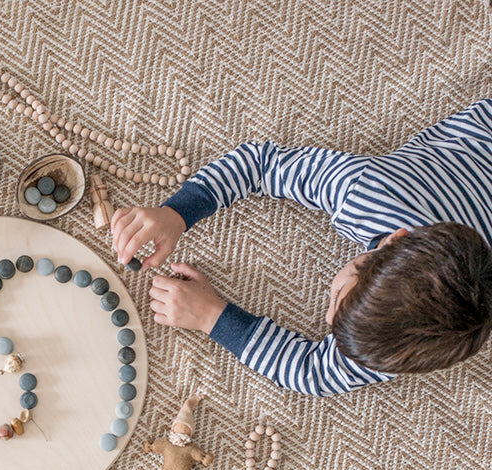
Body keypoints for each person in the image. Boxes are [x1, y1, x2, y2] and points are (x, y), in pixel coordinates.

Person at [111, 99, 492, 396]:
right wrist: (177, 213)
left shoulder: (416, 340)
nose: (327, 320)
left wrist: (213, 316)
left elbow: (313, 372)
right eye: (339, 296)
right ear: (396, 238)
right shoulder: (368, 191)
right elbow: (260, 164)